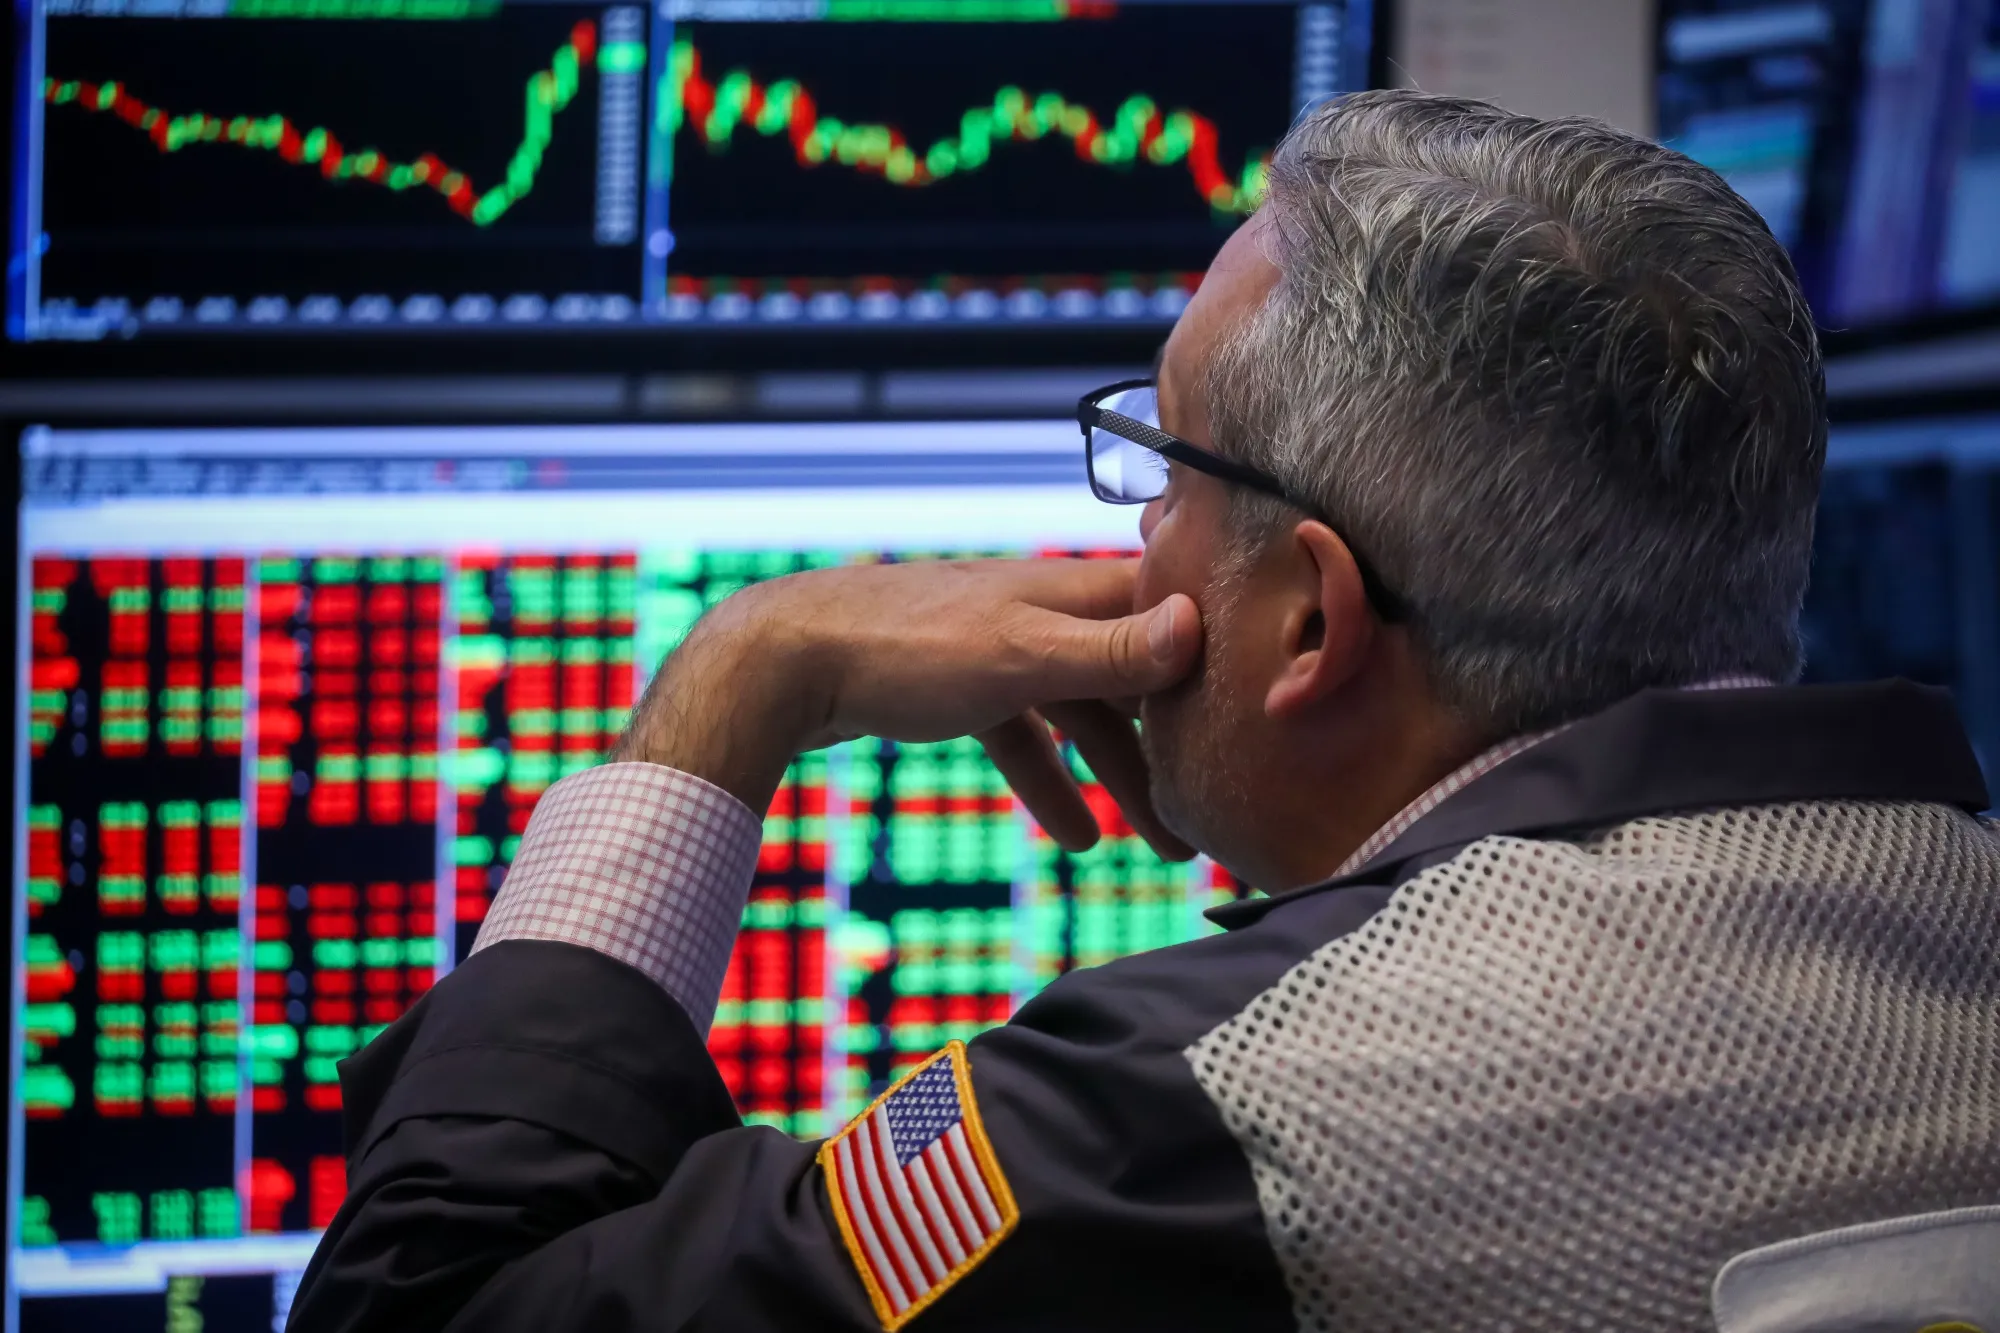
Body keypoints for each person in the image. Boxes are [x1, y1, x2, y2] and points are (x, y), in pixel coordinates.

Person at [288, 91, 2000, 1333]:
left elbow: (429, 1313)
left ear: (1313, 614)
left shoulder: (1218, 1108)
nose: (1130, 532)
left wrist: (733, 690)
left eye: (1160, 464)